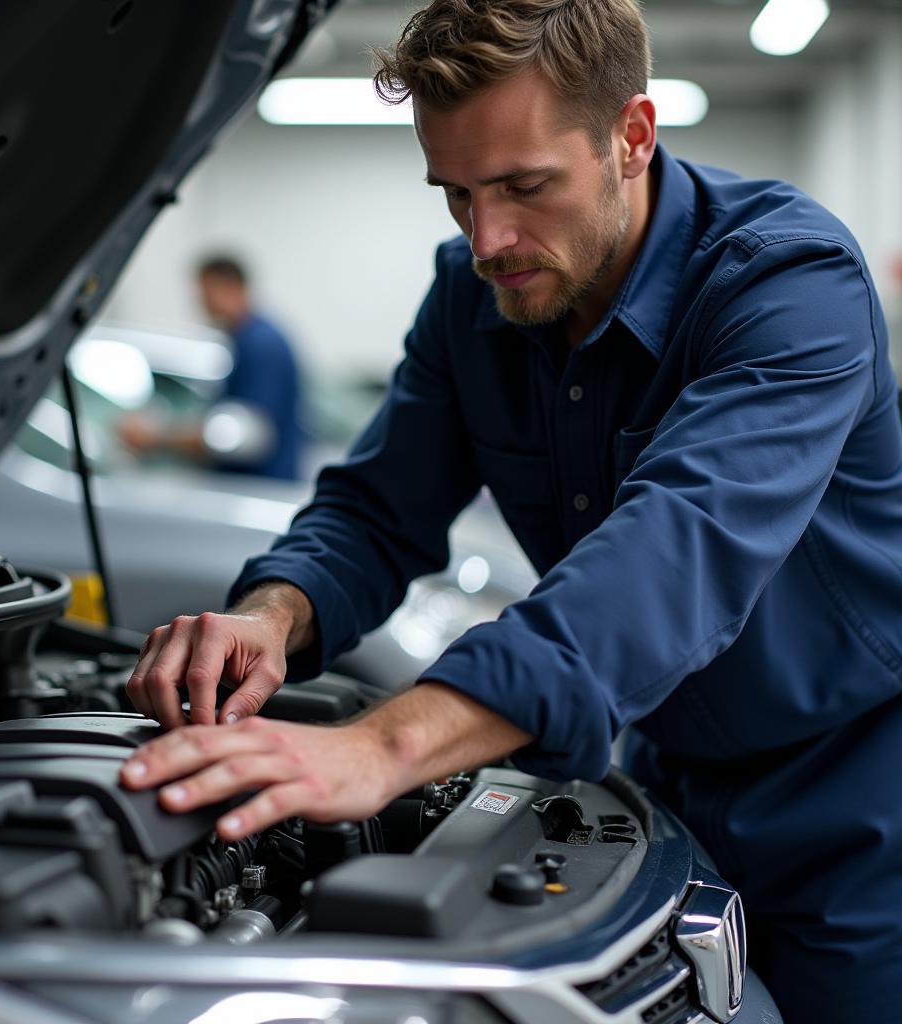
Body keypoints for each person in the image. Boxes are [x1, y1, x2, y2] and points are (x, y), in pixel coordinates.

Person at [119, 2, 902, 1018]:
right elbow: (374, 508)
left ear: (632, 135)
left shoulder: (787, 284)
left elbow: (671, 552)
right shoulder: (474, 294)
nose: (488, 239)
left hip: (858, 804)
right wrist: (272, 613)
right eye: (455, 194)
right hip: (660, 783)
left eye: (525, 187)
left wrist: (382, 747)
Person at [118, 255, 301, 479]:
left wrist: (157, 437)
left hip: (257, 489)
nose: (202, 303)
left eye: (206, 292)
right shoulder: (248, 338)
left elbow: (242, 434)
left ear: (231, 287)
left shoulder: (260, 344)